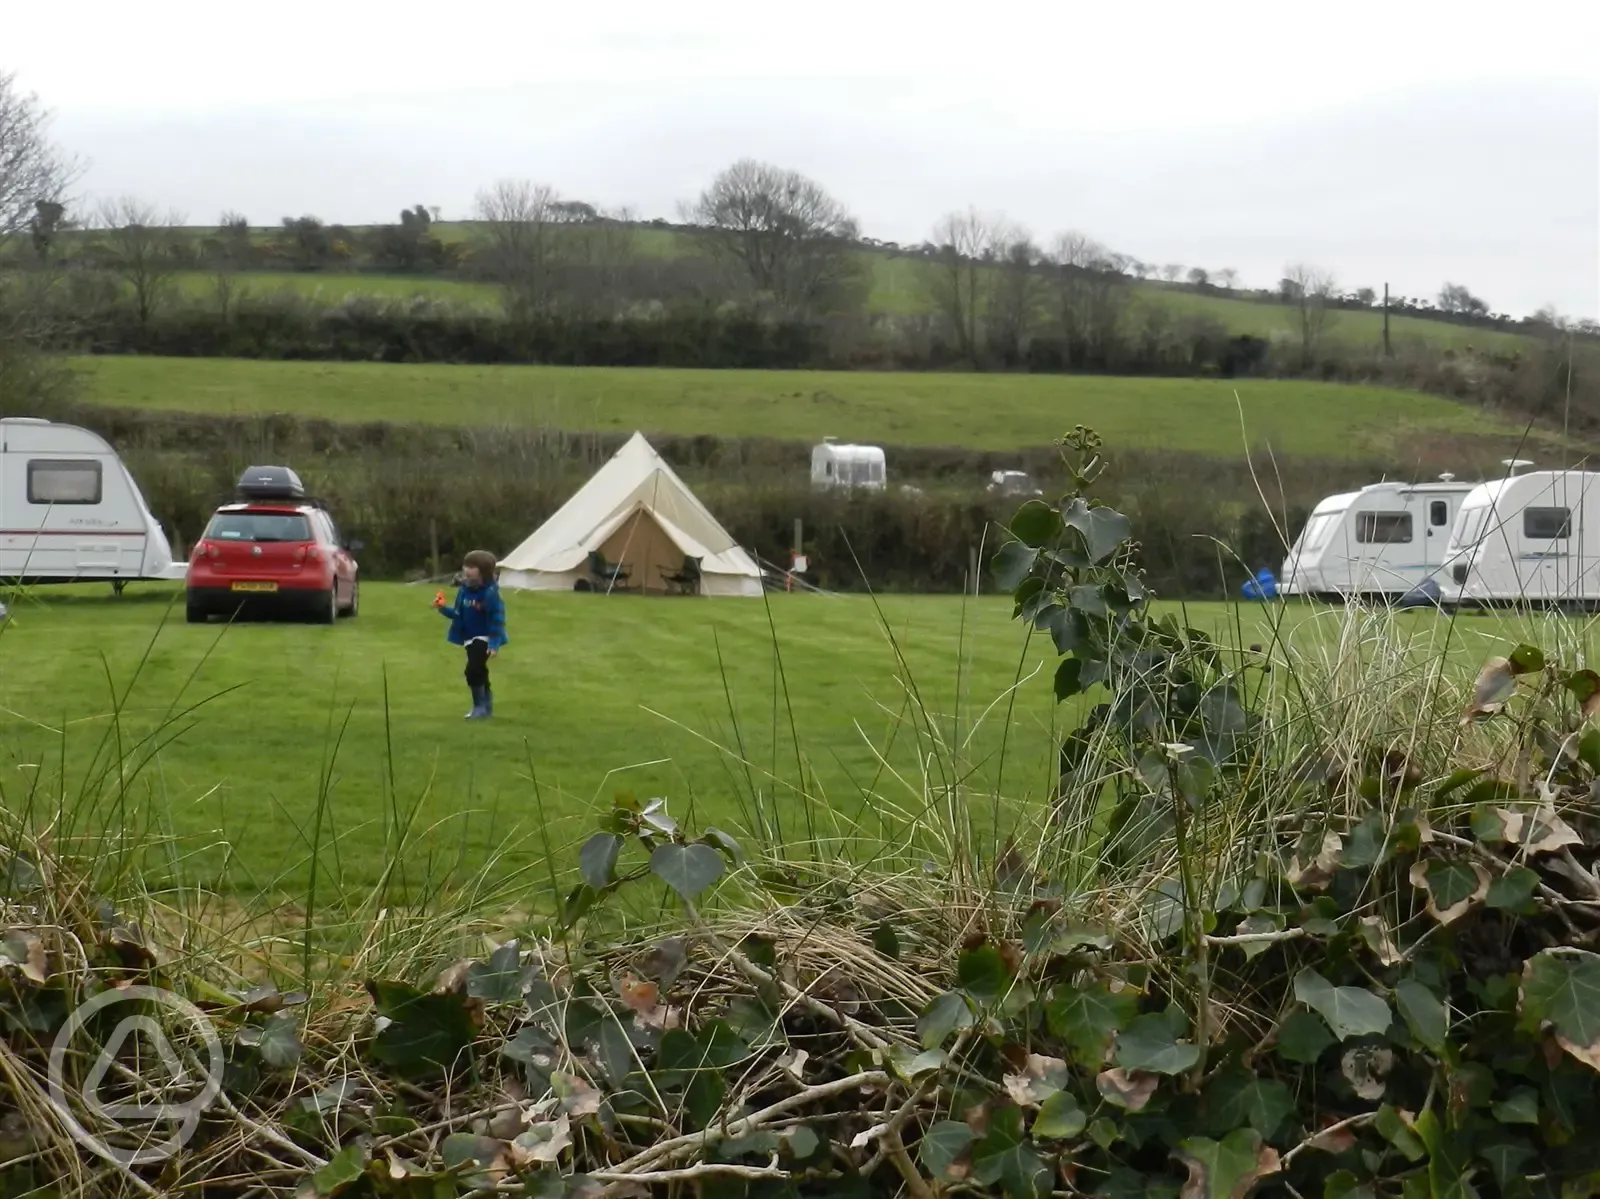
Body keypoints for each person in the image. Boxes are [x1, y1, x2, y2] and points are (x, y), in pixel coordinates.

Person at [435, 549, 507, 719]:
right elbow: (459, 614)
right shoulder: (464, 591)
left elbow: (497, 620)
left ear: (483, 572)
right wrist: (442, 608)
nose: (466, 573)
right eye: (465, 568)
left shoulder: (491, 594)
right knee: (480, 671)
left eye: (472, 569)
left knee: (472, 670)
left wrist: (494, 644)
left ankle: (479, 706)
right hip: (469, 638)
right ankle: (486, 707)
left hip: (484, 638)